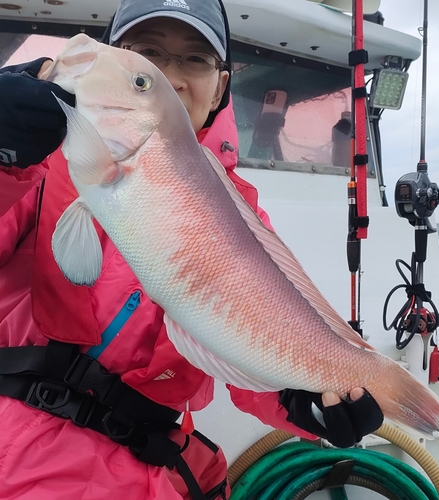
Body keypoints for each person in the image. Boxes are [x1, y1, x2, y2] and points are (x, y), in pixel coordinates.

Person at [0, 0, 384, 498]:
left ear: (221, 86)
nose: (172, 77)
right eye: (147, 56)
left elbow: (246, 342)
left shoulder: (244, 216)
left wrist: (300, 395)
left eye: (195, 59)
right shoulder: (39, 160)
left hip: (141, 472)